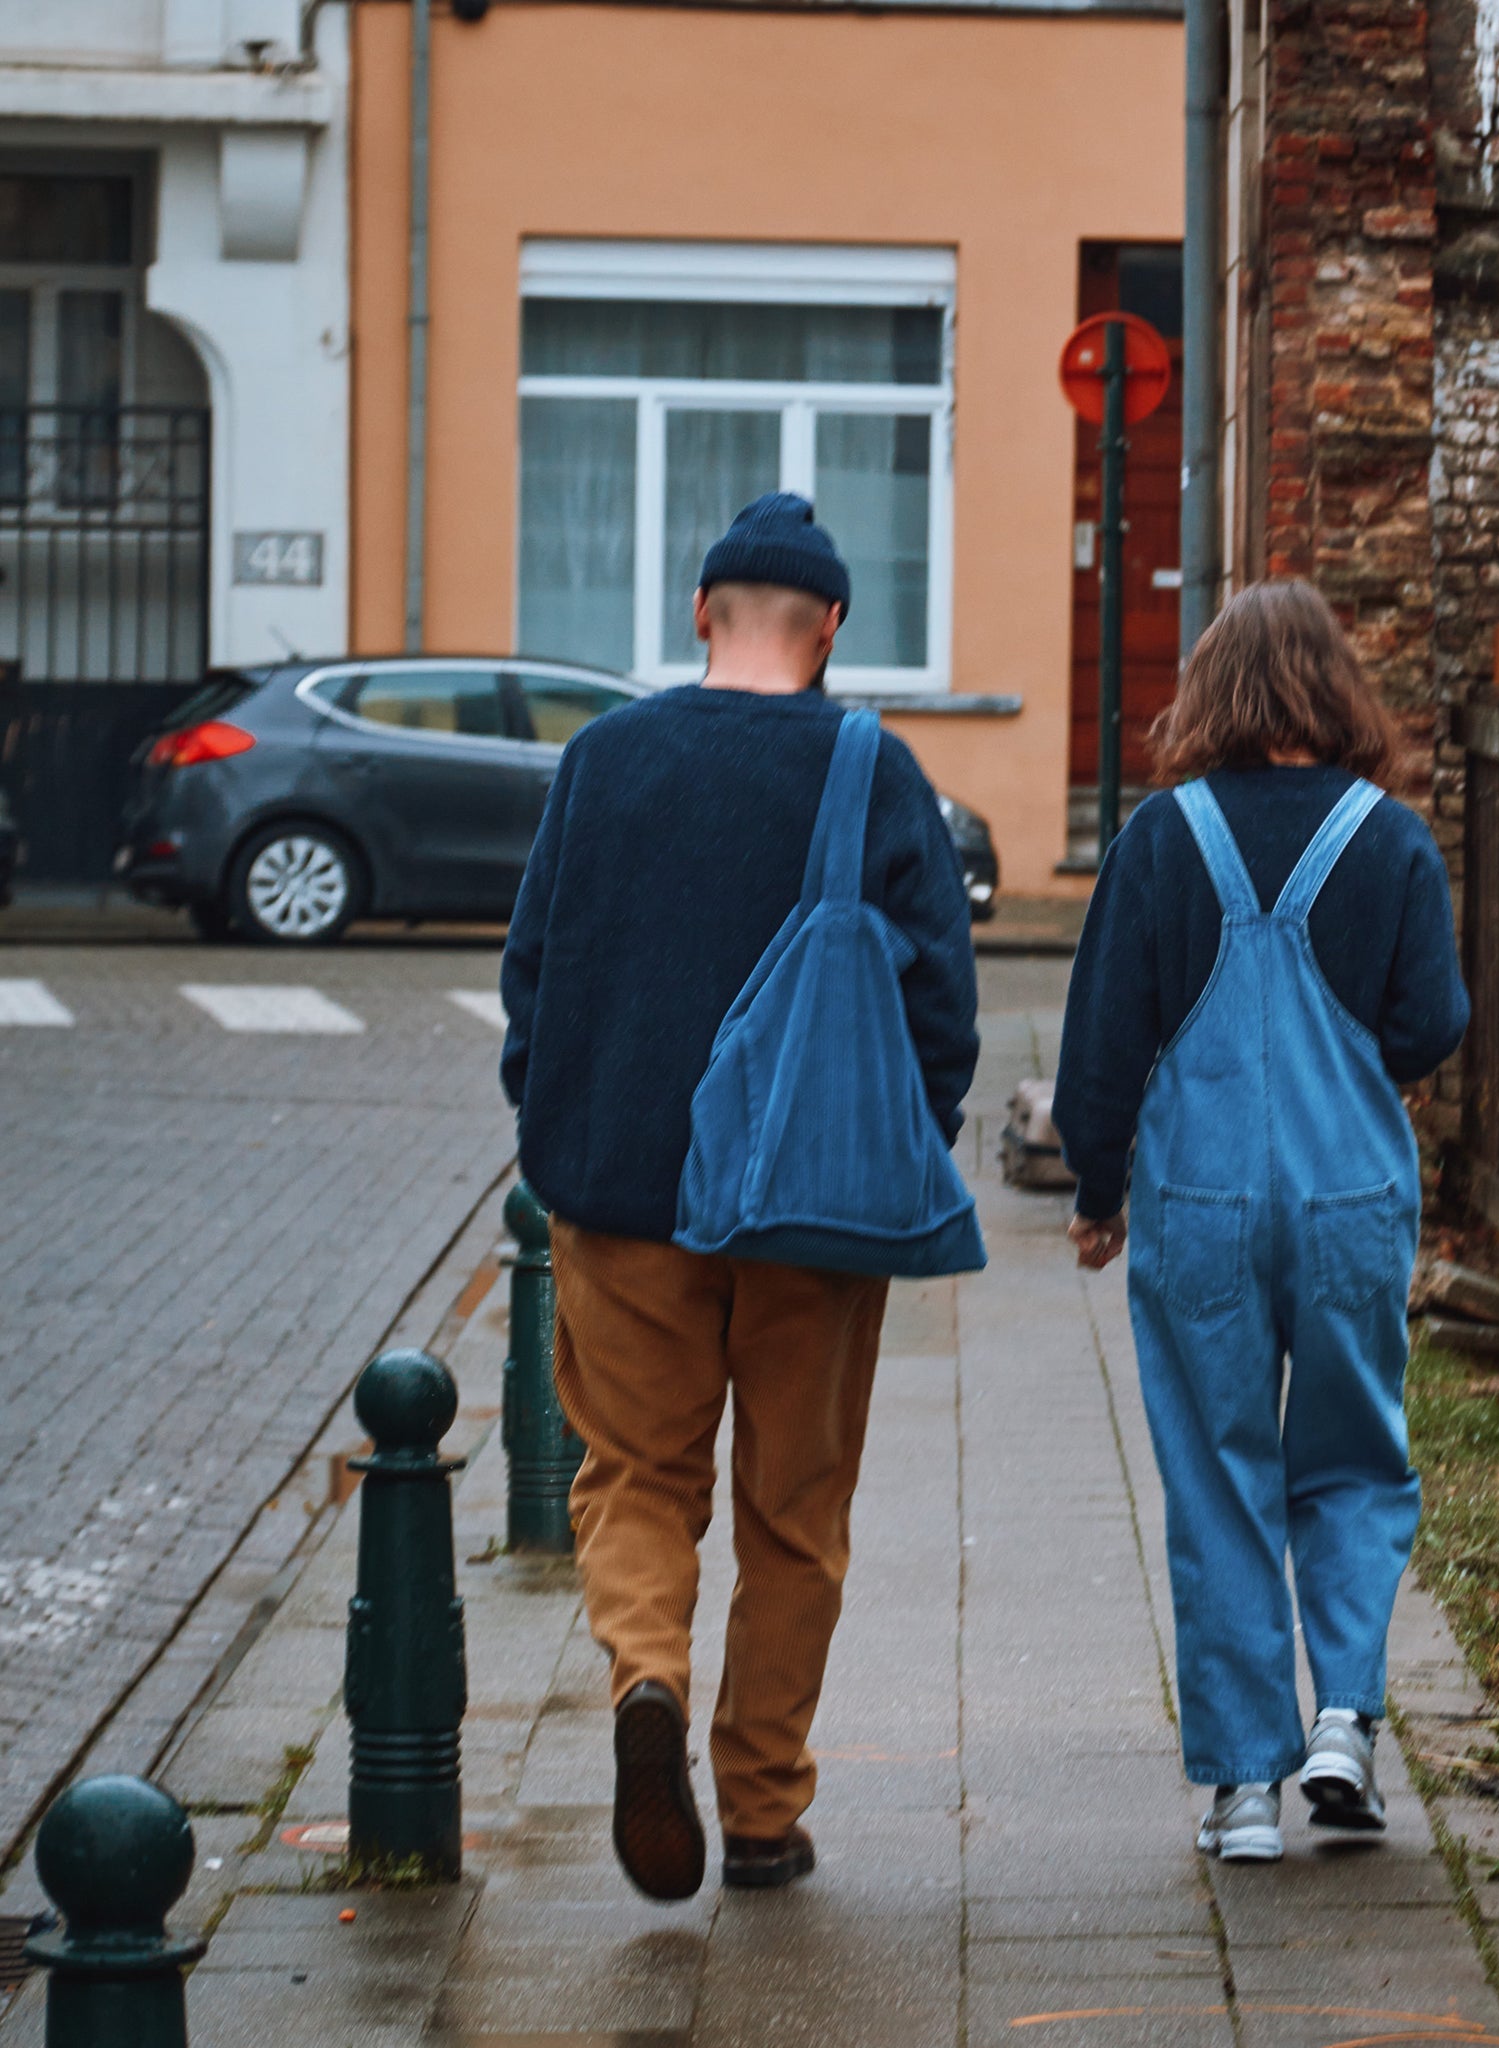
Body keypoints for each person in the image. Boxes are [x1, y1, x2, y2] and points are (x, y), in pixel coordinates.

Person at [500, 493, 979, 1899]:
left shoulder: (603, 758)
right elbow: (942, 1000)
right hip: (813, 1208)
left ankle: (645, 1678)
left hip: (621, 1191)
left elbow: (533, 970)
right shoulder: (870, 767)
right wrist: (904, 1142)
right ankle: (762, 1809)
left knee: (638, 1477)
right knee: (795, 1510)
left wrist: (558, 1118)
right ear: (832, 627)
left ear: (701, 614)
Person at [1052, 579, 1468, 1862]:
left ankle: (1241, 1790)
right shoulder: (1391, 841)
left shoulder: (1159, 840)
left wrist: (1095, 1185)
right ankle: (1343, 1714)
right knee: (1352, 1453)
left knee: (1220, 1473)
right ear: (1333, 689)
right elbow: (1432, 1023)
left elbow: (1102, 1041)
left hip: (1201, 1204)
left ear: (1212, 692)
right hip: (1350, 1200)